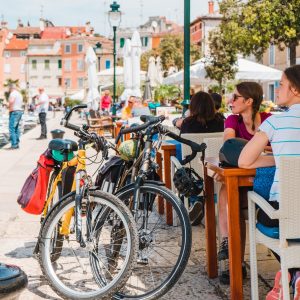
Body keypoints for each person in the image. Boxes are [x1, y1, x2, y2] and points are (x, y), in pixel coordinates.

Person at [238, 65, 300, 299]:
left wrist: (280, 158)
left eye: (281, 85)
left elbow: (245, 161)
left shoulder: (275, 123)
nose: (277, 90)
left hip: (284, 216)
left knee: (278, 226)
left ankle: (292, 274)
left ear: (294, 89)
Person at [217, 82, 272, 284]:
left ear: (249, 101)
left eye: (235, 97)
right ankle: (231, 254)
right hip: (244, 180)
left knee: (226, 184)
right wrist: (260, 150)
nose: (231, 101)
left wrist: (249, 154)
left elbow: (243, 154)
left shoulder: (268, 119)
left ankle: (232, 254)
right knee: (227, 189)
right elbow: (229, 145)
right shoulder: (232, 120)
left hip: (263, 179)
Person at [180, 92, 224, 225]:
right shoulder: (220, 122)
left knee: (182, 164)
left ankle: (194, 201)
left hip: (193, 170)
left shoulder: (187, 123)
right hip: (214, 168)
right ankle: (204, 201)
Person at [7, 84, 23, 150]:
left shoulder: (12, 93)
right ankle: (16, 144)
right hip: (19, 111)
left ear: (11, 88)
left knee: (12, 128)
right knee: (16, 128)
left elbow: (11, 101)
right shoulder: (19, 94)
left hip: (14, 111)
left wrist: (9, 109)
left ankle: (14, 144)